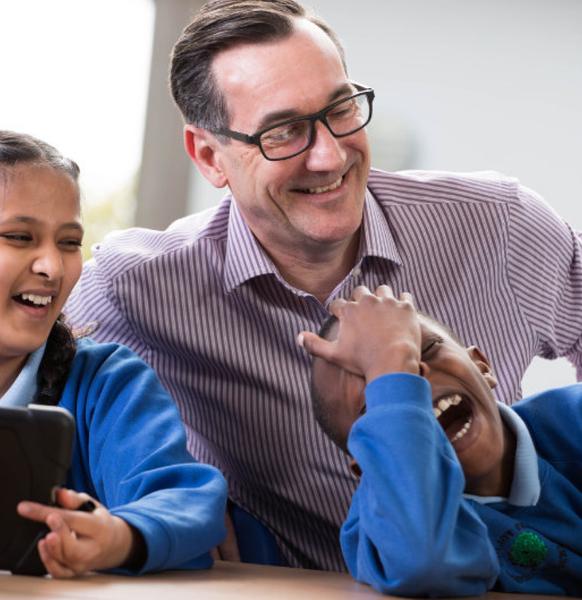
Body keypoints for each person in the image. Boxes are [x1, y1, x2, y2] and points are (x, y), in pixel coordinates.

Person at [64, 0, 582, 571]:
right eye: (283, 132)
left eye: (341, 111)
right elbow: (38, 403)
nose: (330, 155)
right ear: (210, 156)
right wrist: (159, 517)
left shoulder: (501, 224)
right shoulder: (133, 287)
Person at [0, 130, 227, 578]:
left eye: (68, 242)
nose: (52, 266)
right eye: (20, 237)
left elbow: (186, 499)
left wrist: (119, 538)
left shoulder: (106, 382)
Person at [300, 284, 582, 596]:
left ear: (481, 365)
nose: (414, 379)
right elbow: (426, 565)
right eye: (381, 394)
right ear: (366, 465)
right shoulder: (381, 527)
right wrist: (392, 370)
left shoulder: (572, 419)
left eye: (425, 349)